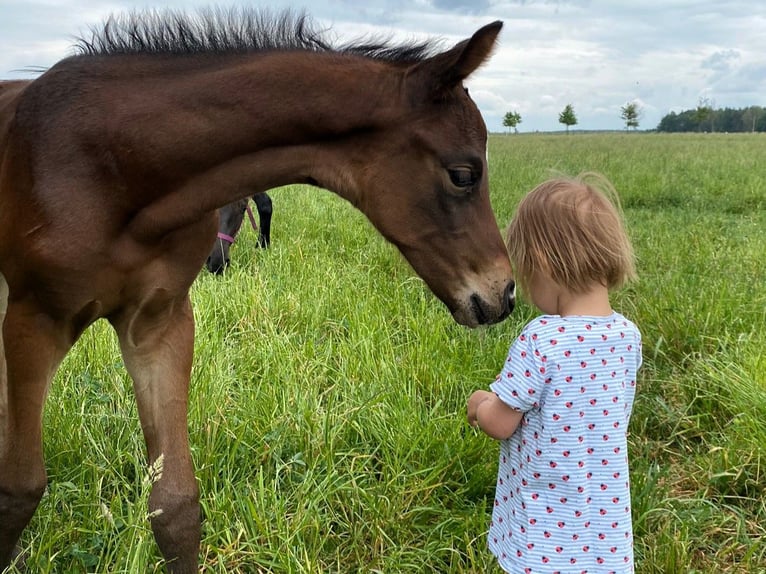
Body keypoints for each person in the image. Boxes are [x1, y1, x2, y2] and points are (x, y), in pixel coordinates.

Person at [467, 173, 641, 574]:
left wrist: (479, 405)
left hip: (545, 528)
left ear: (543, 263)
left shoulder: (542, 339)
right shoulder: (627, 337)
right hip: (606, 526)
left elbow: (501, 423)